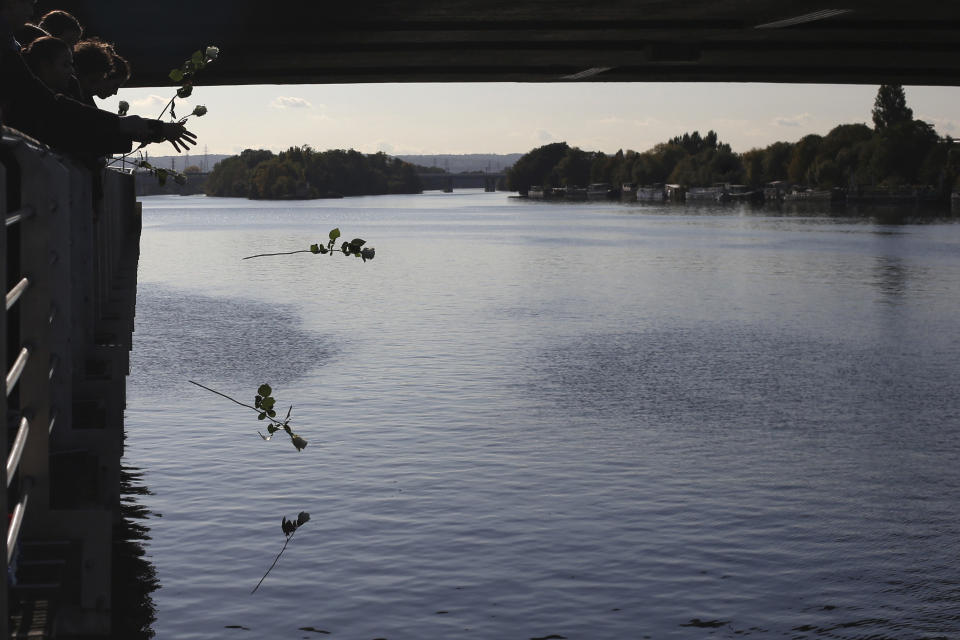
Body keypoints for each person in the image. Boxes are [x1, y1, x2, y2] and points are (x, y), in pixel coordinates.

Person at [0, 0, 195, 155]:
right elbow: (66, 122)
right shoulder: (9, 52)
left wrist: (142, 129)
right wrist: (143, 128)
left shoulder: (13, 48)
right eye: (27, 1)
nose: (32, 8)